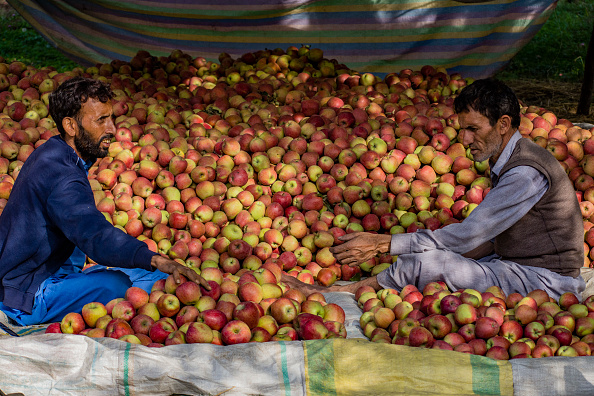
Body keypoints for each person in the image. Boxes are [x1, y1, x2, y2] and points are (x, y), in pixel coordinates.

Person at [283, 78, 585, 301]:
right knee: (431, 257)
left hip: (548, 282)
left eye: (473, 129)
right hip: (514, 264)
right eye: (462, 129)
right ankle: (360, 286)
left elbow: (469, 235)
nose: (464, 140)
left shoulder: (524, 172)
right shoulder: (509, 159)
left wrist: (383, 243)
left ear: (503, 124)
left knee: (432, 262)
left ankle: (343, 292)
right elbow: (484, 239)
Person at [0, 77, 208, 326]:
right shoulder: (64, 176)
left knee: (146, 274)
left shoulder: (53, 152)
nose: (111, 128)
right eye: (101, 120)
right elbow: (95, 236)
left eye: (110, 117)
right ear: (71, 126)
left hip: (39, 271)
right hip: (23, 293)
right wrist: (157, 259)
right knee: (121, 284)